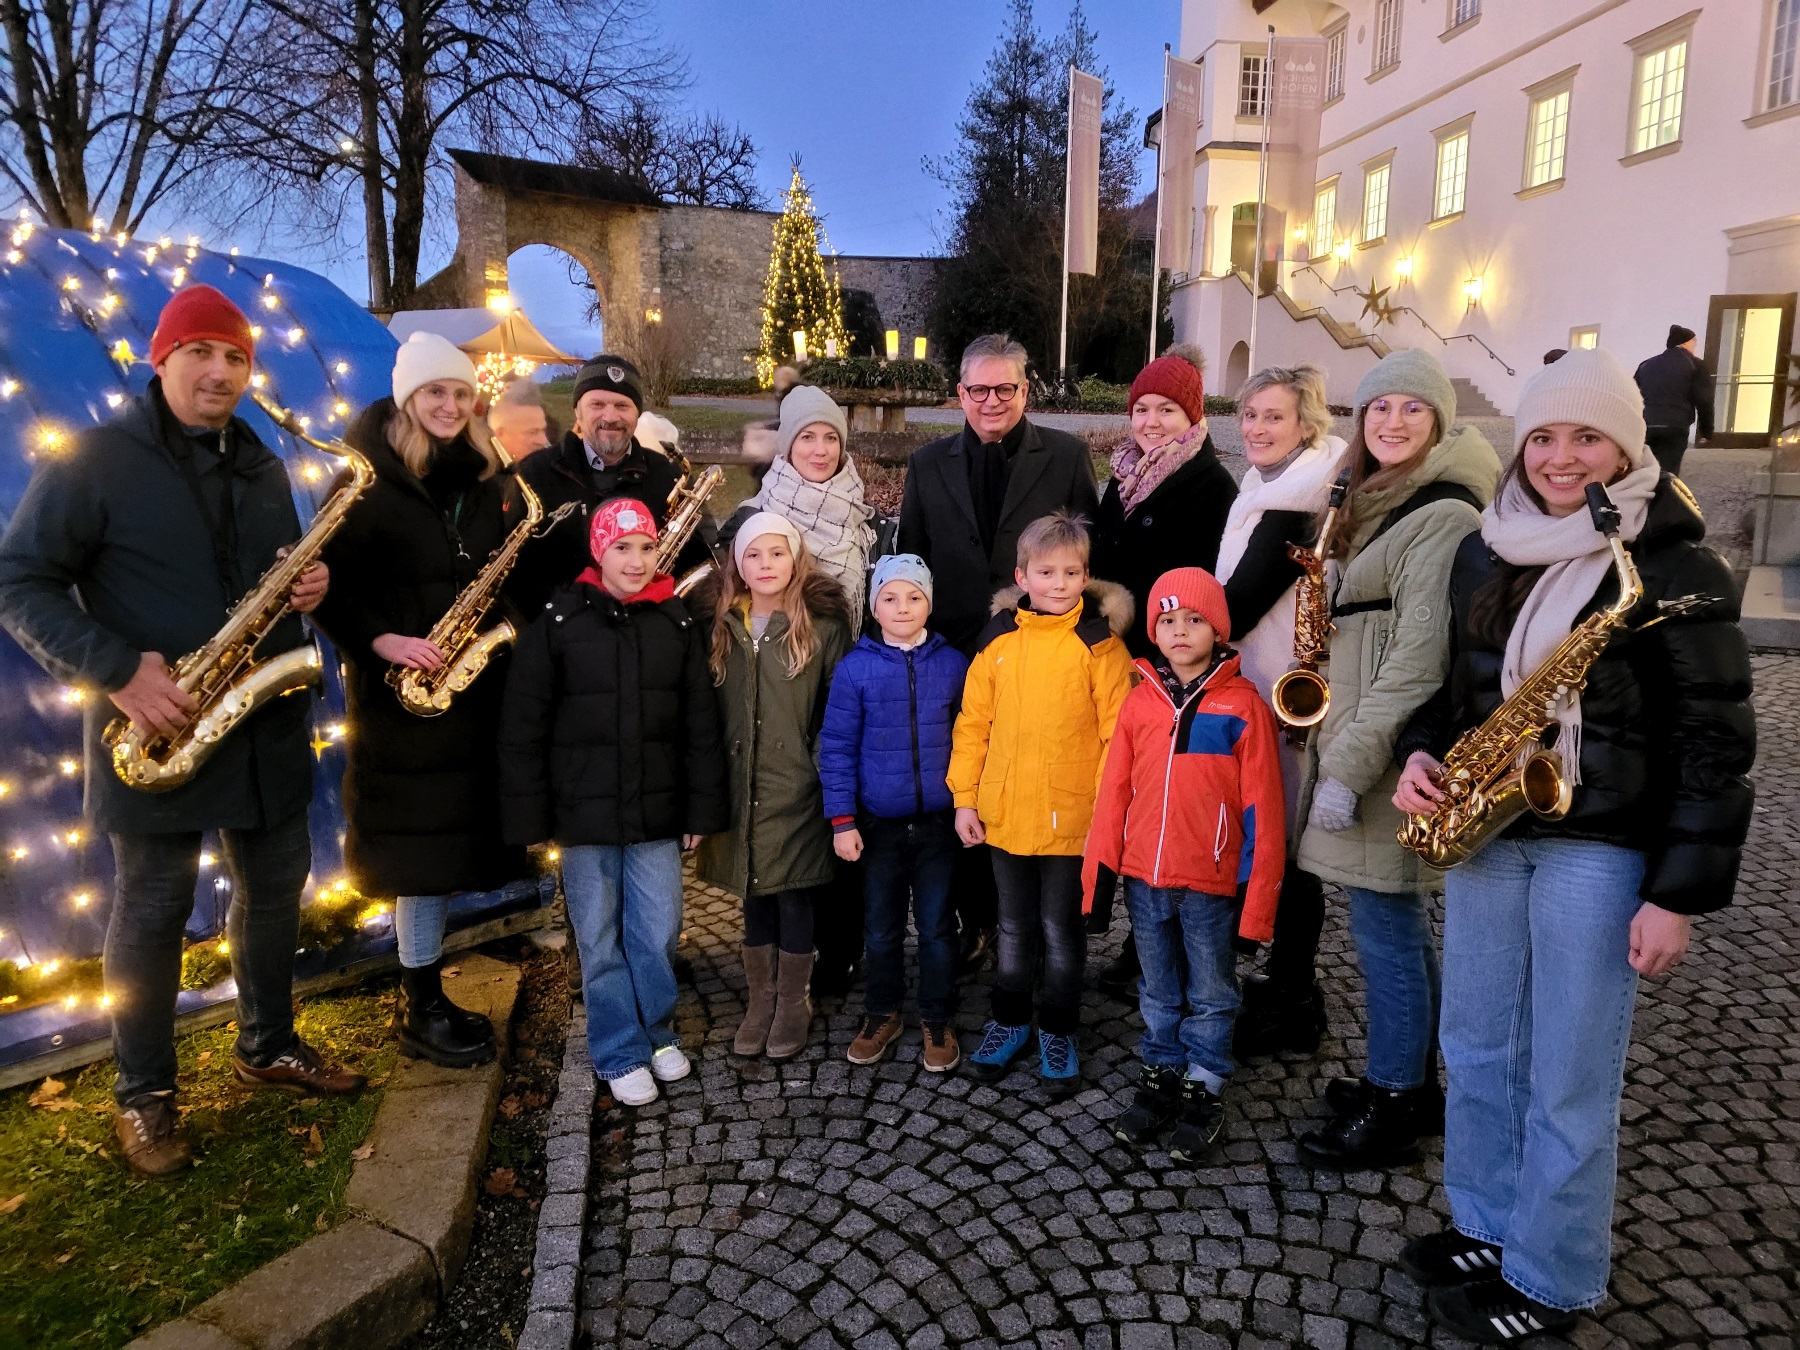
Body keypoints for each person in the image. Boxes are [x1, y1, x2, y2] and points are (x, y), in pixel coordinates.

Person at [1389, 348, 1755, 1341]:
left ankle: (1553, 1273)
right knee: (1473, 1041)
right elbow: (1458, 693)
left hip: (1600, 846)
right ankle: (1490, 1221)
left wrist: (1675, 895)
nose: (1559, 458)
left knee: (1568, 1068)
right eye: (1543, 436)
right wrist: (1421, 756)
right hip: (1492, 831)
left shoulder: (1672, 569)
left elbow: (1716, 746)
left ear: (1625, 446)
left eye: (1585, 437)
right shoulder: (1487, 546)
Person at [0, 286, 363, 1176]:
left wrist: (303, 589)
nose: (221, 371)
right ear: (160, 359)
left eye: (235, 357)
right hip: (158, 728)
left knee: (276, 886)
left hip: (263, 727)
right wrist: (118, 670)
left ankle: (267, 1043)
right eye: (201, 351)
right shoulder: (93, 459)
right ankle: (145, 1093)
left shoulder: (264, 462)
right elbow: (19, 583)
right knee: (154, 909)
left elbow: (269, 580)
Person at [1294, 348, 1501, 1169]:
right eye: (1379, 408)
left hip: (1382, 751)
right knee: (1396, 923)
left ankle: (1394, 1101)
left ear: (1441, 422)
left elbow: (1419, 657)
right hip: (1360, 736)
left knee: (1387, 924)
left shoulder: (1443, 515)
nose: (1392, 421)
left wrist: (1347, 766)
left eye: (1413, 409)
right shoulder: (1379, 497)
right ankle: (1413, 1082)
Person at [312, 331, 526, 1068]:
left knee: (450, 847)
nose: (450, 405)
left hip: (471, 693)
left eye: (462, 394)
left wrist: (501, 635)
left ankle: (431, 995)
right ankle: (420, 1003)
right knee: (416, 859)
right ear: (408, 398)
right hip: (402, 701)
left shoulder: (487, 479)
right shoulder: (363, 481)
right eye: (436, 392)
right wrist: (383, 641)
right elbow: (326, 587)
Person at [498, 498, 728, 1106]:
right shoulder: (559, 621)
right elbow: (526, 723)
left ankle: (656, 1032)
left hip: (656, 811)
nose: (635, 559)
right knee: (599, 936)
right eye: (621, 547)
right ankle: (617, 1047)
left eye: (646, 547)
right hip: (584, 815)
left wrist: (701, 811)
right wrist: (533, 816)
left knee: (656, 931)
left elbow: (697, 725)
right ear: (598, 552)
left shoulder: (674, 621)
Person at [899, 333, 1100, 974]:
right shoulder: (928, 463)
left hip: (1039, 661)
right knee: (961, 793)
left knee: (1030, 791)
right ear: (959, 393)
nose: (991, 400)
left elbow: (1089, 564)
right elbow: (912, 559)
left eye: (1005, 388)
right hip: (952, 656)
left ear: (1025, 389)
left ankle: (1036, 931)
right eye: (978, 389)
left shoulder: (1065, 456)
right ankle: (973, 922)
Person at [1084, 567, 1284, 1162]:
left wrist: (1256, 907)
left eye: (1194, 619)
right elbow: (1113, 793)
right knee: (1158, 987)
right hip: (1145, 878)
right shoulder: (1139, 704)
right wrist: (1097, 883)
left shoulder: (1243, 708)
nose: (1179, 631)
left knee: (1214, 991)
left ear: (1217, 629)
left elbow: (1264, 812)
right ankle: (1162, 1073)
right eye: (1167, 620)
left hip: (1212, 884)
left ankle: (1205, 1085)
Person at [949, 511, 1134, 1096]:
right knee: (1012, 925)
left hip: (1071, 819)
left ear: (1086, 577)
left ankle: (1057, 1026)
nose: (1059, 583)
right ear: (1022, 575)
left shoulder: (1100, 647)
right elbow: (973, 723)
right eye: (1046, 571)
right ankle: (1008, 1020)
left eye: (1071, 572)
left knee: (1061, 929)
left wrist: (1104, 812)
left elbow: (1116, 737)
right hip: (1004, 815)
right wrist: (965, 799)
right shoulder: (998, 639)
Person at [1212, 364, 1348, 1057]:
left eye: (1275, 416)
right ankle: (1288, 984)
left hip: (1284, 699)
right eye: (1252, 415)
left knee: (1290, 855)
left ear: (1306, 425)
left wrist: (1171, 614)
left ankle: (1294, 999)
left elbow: (1233, 610)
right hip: (1267, 688)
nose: (1258, 428)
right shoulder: (1270, 485)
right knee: (1280, 846)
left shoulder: (1298, 502)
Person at [695, 513, 853, 1062]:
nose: (766, 566)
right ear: (738, 562)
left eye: (777, 554)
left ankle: (792, 1001)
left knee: (794, 892)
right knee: (754, 891)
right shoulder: (721, 621)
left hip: (797, 787)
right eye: (754, 555)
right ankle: (760, 1000)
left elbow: (837, 708)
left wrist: (818, 772)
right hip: (741, 783)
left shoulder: (822, 625)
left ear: (796, 558)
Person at [818, 554, 969, 1073]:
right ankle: (881, 1012)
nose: (902, 607)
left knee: (936, 927)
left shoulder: (953, 664)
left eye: (914, 596)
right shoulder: (856, 668)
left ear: (930, 602)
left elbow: (972, 740)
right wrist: (842, 820)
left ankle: (937, 1016)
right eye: (890, 597)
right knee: (879, 929)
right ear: (874, 606)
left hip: (938, 826)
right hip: (877, 826)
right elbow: (836, 747)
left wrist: (968, 804)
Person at [509, 354, 712, 612]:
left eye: (622, 405)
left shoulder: (668, 475)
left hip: (646, 630)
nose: (610, 416)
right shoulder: (534, 473)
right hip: (557, 634)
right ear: (577, 412)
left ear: (638, 413)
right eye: (597, 404)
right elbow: (516, 568)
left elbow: (697, 558)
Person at [1091, 345, 1238, 661]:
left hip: (1166, 657)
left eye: (1167, 410)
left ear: (1192, 416)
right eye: (1142, 410)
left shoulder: (1215, 486)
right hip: (1106, 648)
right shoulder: (1125, 473)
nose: (1151, 422)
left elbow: (1208, 591)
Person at [722, 385, 876, 633]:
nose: (821, 450)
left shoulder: (867, 523)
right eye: (807, 437)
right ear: (788, 446)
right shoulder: (750, 521)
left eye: (831, 438)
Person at [1633, 324, 1714, 477]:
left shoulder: (1646, 365)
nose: (1695, 345)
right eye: (1694, 341)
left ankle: (1644, 496)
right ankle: (1664, 498)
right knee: (1668, 472)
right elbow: (1704, 400)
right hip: (1676, 426)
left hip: (1647, 425)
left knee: (1646, 469)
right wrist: (1706, 431)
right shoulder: (1696, 365)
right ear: (1685, 342)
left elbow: (1632, 395)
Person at [486, 380, 552, 462]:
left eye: (543, 430)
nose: (543, 440)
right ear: (500, 434)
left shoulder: (548, 466)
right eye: (532, 432)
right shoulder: (481, 472)